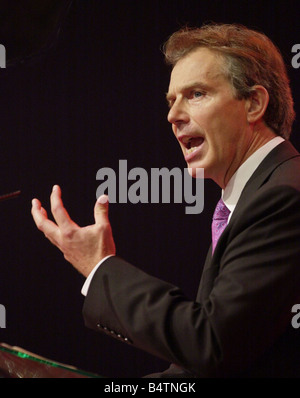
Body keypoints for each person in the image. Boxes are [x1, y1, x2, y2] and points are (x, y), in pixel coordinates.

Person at [31, 23, 300, 378]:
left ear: (254, 104)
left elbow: (212, 344)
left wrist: (100, 267)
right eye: (172, 101)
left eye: (197, 94)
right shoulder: (258, 195)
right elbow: (219, 364)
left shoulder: (282, 197)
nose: (172, 116)